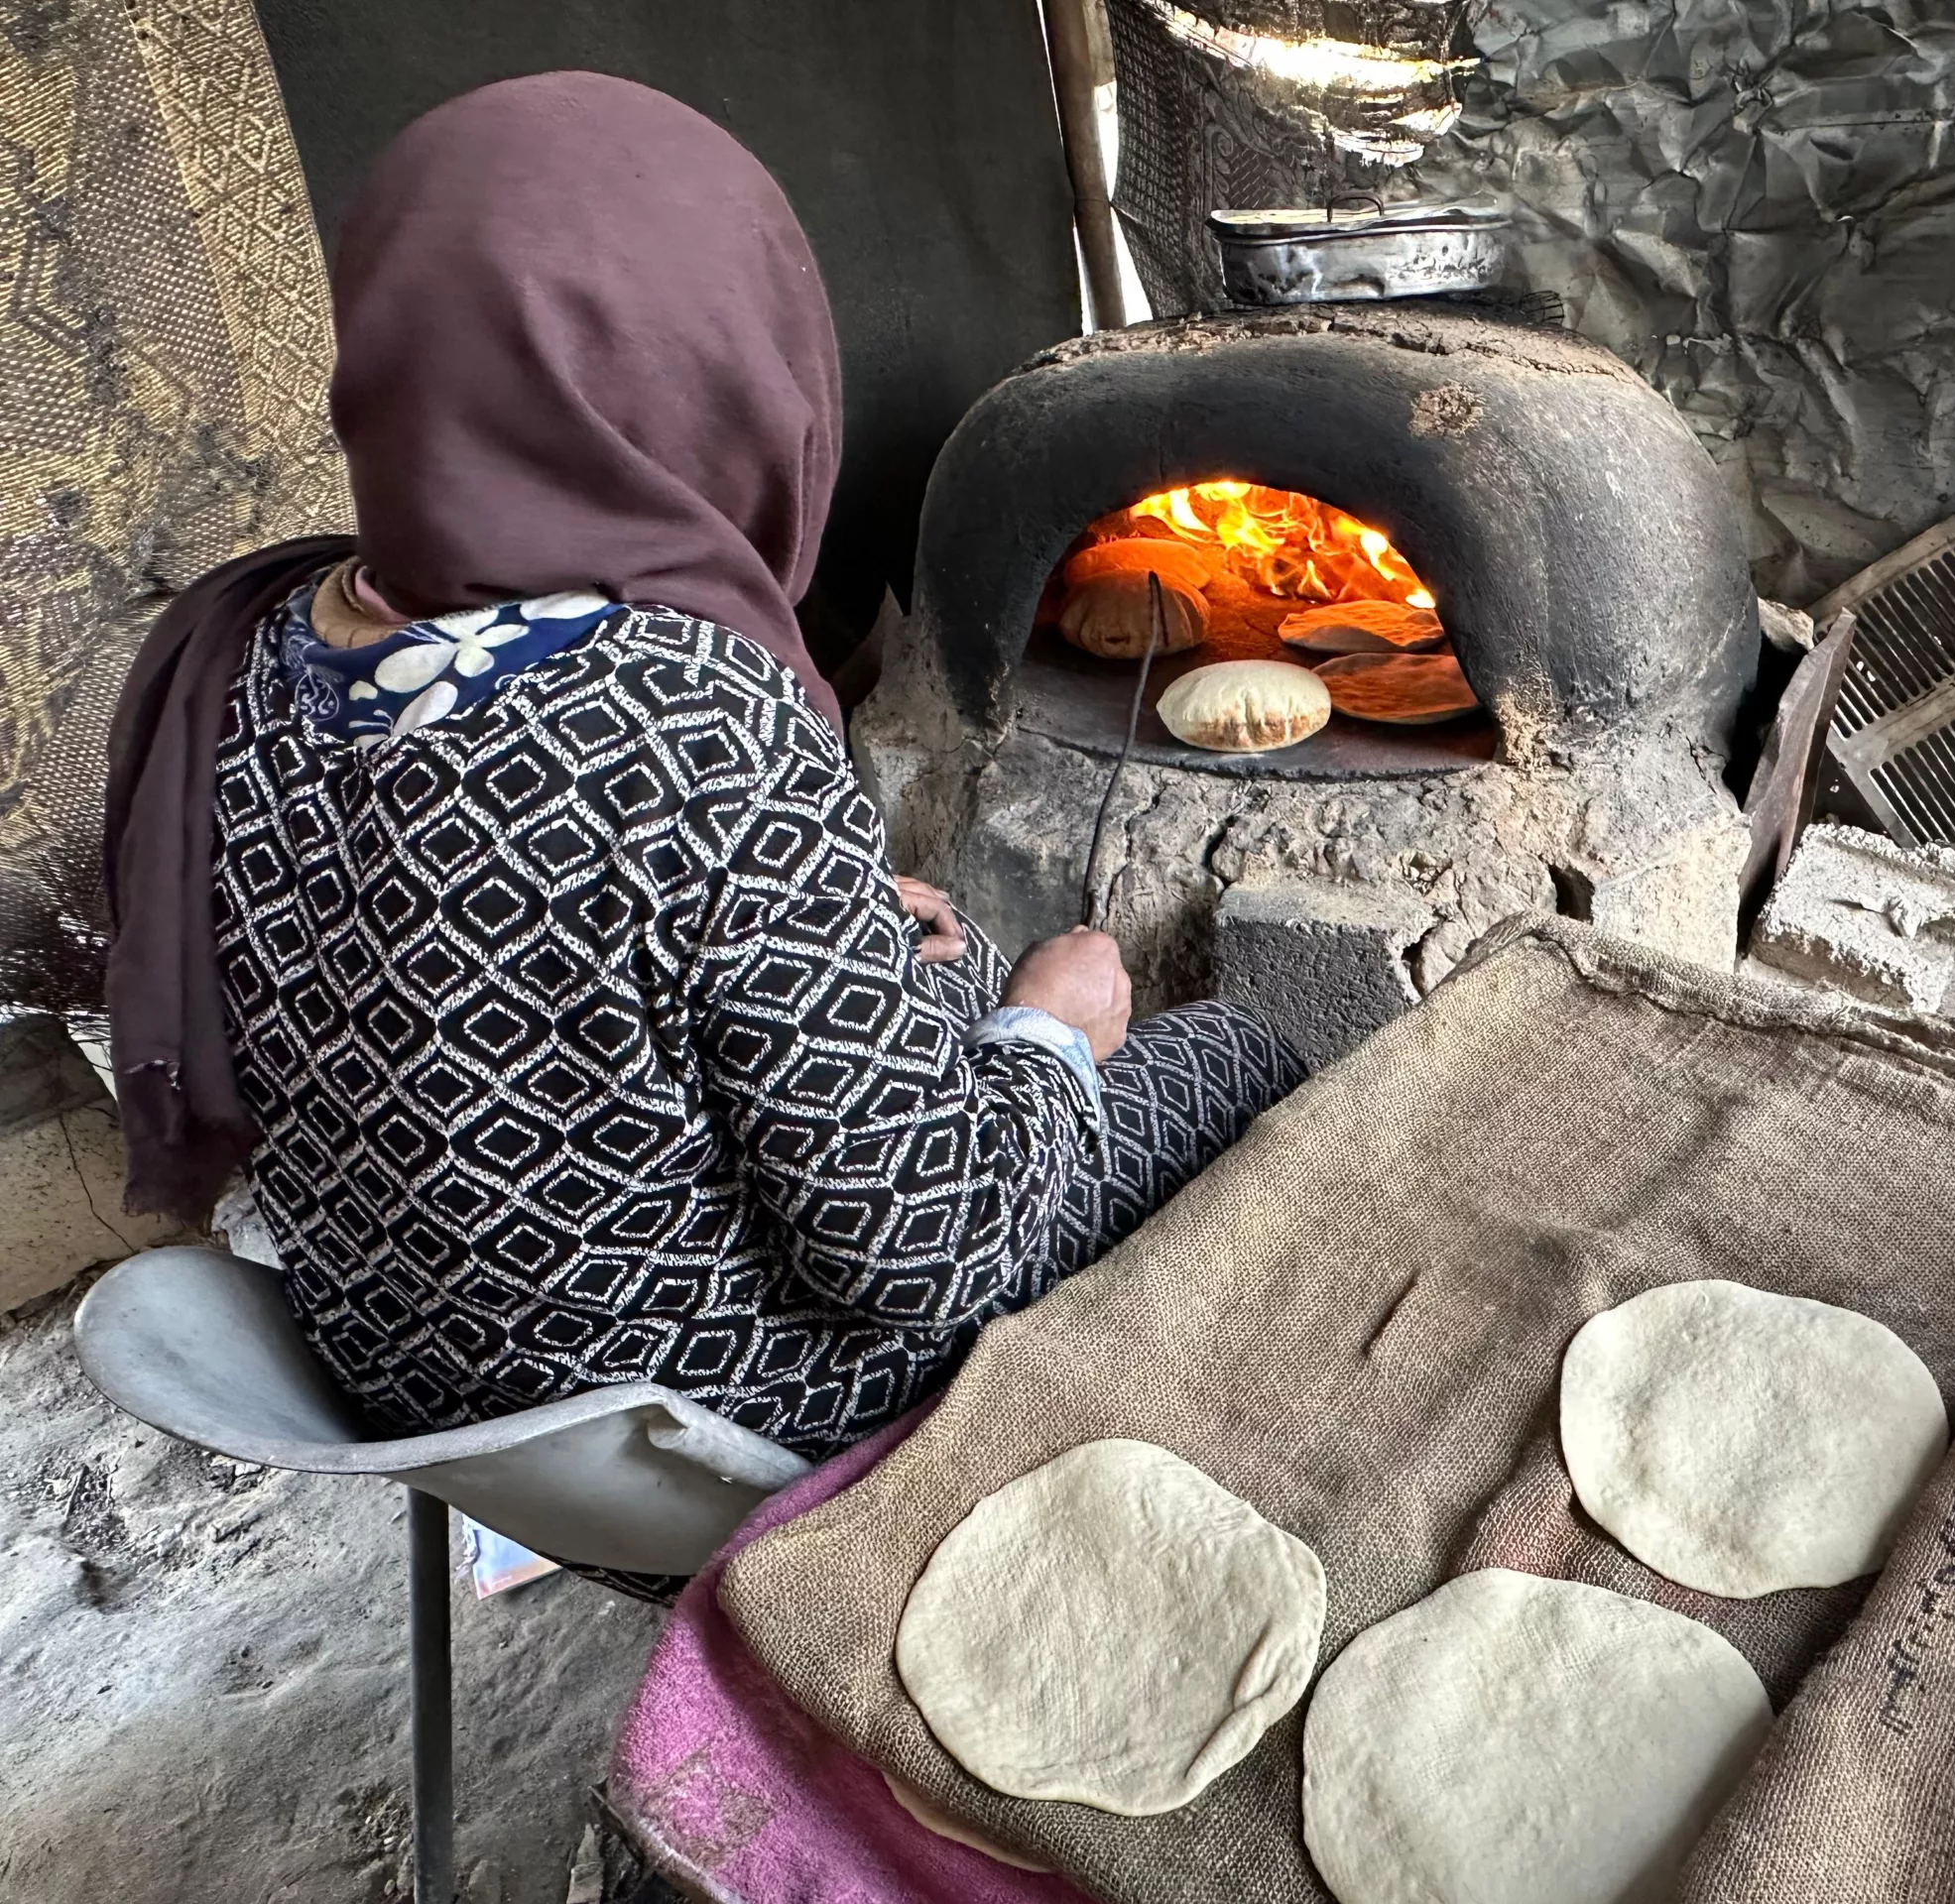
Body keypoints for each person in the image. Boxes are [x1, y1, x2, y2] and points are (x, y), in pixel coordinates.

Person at [101, 72, 1305, 1551]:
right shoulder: (683, 705)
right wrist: (1059, 1030)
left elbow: (498, 965)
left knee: (944, 981)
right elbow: (928, 1246)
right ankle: (1142, 1534)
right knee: (1235, 1050)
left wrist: (844, 940)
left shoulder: (237, 644)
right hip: (719, 1429)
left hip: (409, 1396)